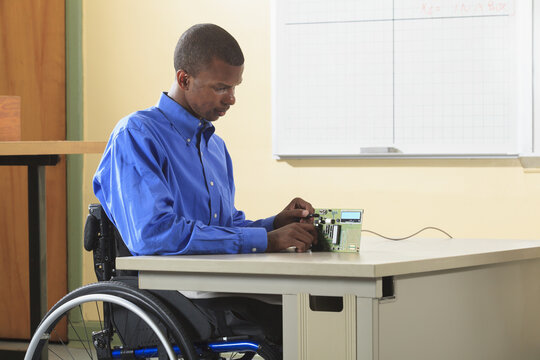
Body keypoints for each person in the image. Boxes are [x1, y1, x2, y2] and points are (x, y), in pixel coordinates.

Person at [93, 23, 317, 350]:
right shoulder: (136, 134)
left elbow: (224, 228)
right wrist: (265, 241)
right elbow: (154, 234)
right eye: (221, 87)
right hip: (173, 292)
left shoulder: (215, 147)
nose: (232, 99)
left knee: (308, 313)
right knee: (293, 324)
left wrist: (274, 226)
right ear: (184, 79)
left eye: (235, 87)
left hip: (217, 284)